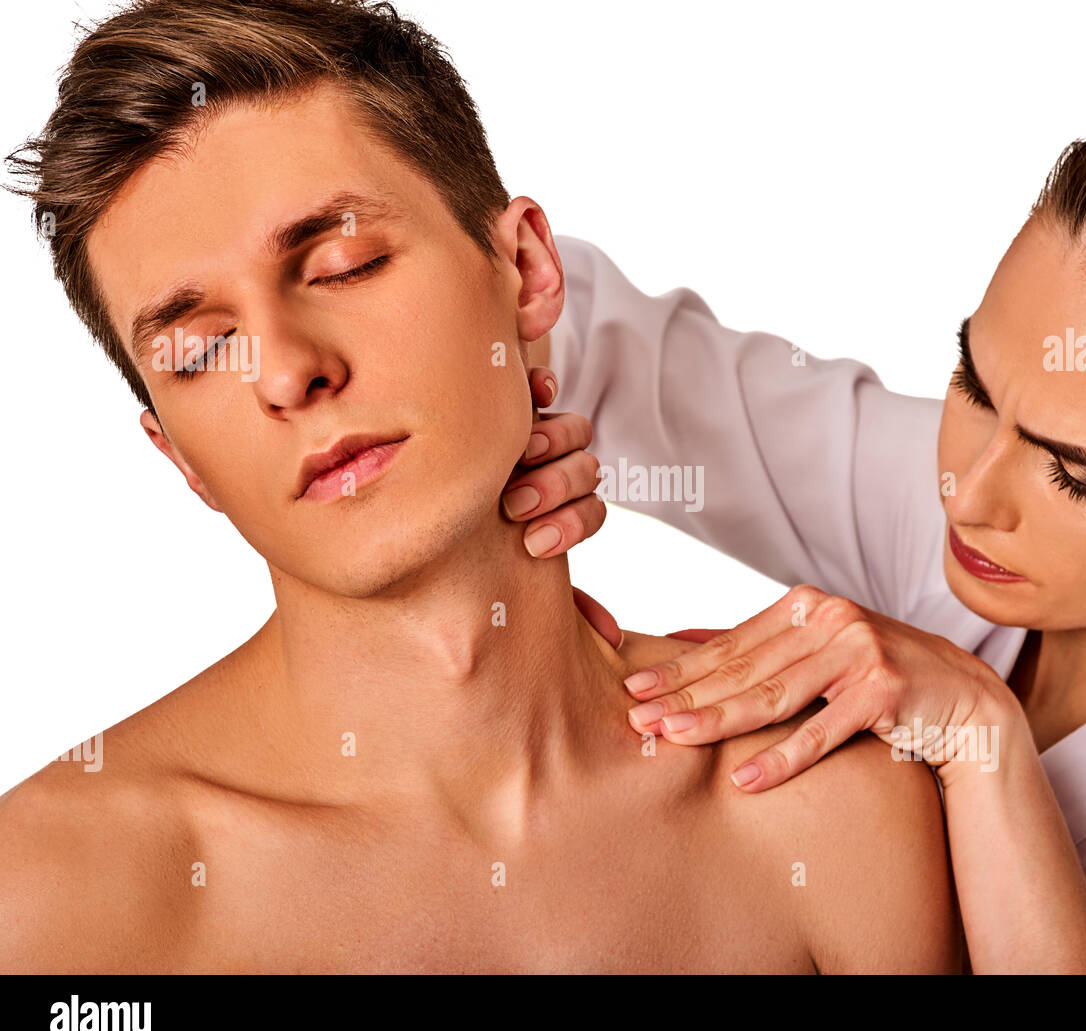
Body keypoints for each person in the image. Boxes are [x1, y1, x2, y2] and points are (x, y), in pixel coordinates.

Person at [0, 0, 959, 975]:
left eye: (345, 266)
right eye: (204, 350)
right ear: (179, 458)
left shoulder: (831, 799)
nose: (287, 373)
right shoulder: (53, 895)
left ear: (531, 266)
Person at [505, 89, 1086, 974]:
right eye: (976, 382)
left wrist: (981, 736)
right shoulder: (974, 487)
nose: (967, 494)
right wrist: (492, 402)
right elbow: (616, 352)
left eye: (1078, 476)